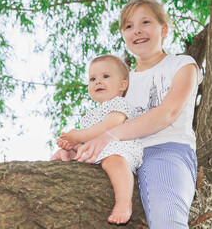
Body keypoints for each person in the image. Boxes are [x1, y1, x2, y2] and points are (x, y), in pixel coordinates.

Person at [73, 0, 203, 229]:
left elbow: (167, 113)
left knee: (167, 222)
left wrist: (111, 135)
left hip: (165, 148)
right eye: (129, 26)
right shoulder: (121, 82)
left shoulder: (183, 65)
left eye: (145, 22)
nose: (137, 31)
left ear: (163, 29)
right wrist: (74, 145)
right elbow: (105, 121)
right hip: (123, 152)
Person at [50, 55, 143, 225]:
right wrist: (72, 146)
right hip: (97, 150)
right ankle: (63, 156)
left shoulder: (119, 104)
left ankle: (124, 201)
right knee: (71, 152)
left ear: (122, 85)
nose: (98, 82)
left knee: (113, 160)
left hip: (120, 148)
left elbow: (108, 126)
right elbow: (87, 141)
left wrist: (77, 136)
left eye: (105, 76)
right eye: (92, 79)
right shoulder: (89, 116)